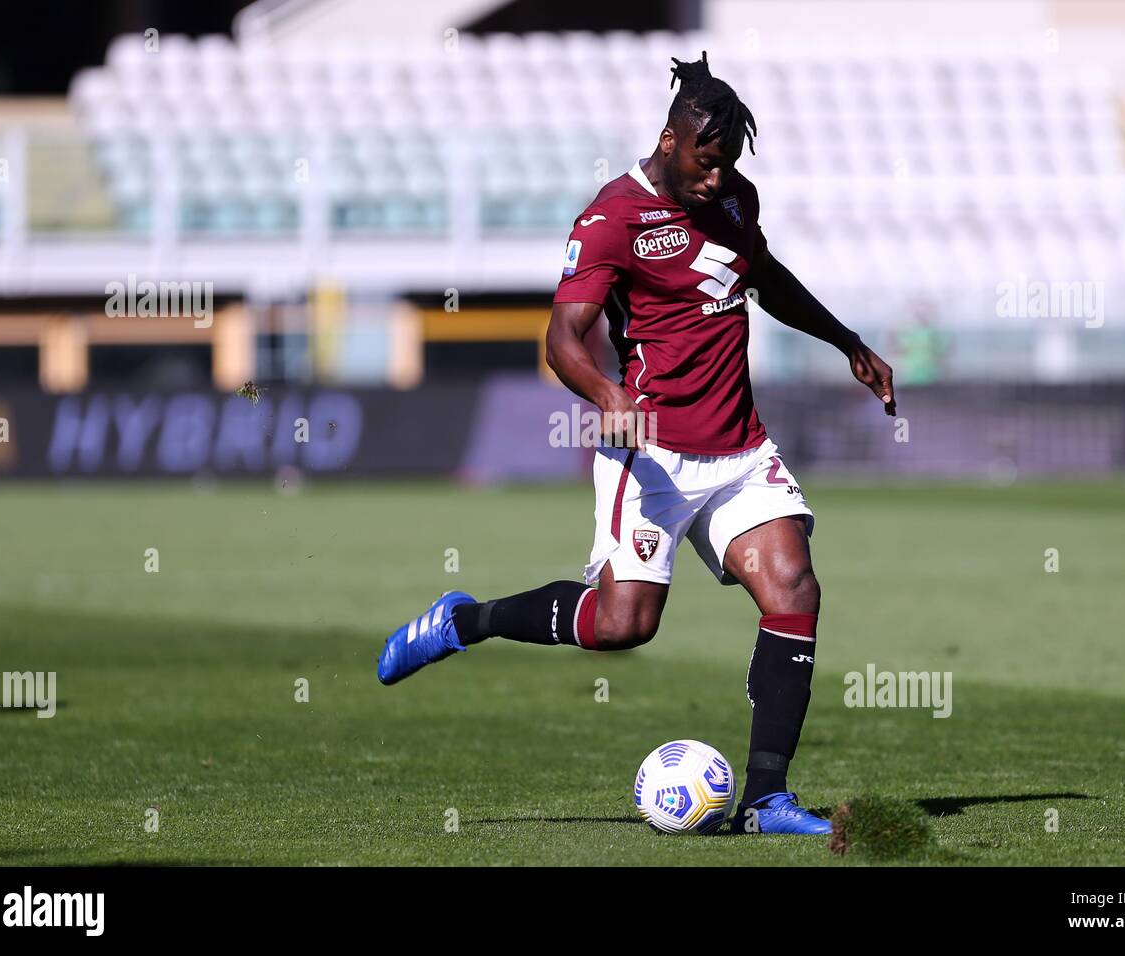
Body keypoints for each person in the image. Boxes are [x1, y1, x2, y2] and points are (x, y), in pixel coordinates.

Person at [378, 52, 896, 835]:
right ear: (670, 138)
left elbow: (764, 276)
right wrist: (606, 393)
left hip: (739, 450)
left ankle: (765, 799)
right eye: (707, 160)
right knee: (623, 627)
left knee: (793, 587)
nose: (717, 178)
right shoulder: (613, 217)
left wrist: (846, 340)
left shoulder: (732, 199)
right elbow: (563, 337)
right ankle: (465, 622)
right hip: (651, 452)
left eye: (727, 165)